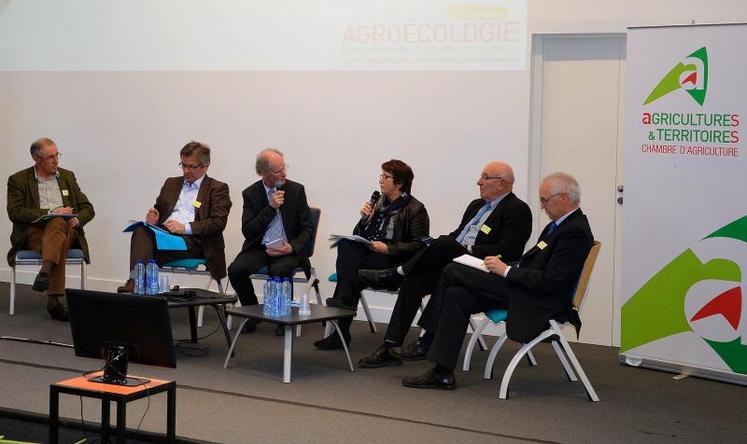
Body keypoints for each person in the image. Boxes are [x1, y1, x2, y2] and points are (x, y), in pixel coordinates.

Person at [401, 172, 594, 390]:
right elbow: (535, 262)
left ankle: (427, 337)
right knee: (457, 294)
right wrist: (505, 268)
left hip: (537, 299)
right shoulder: (560, 225)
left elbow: (552, 281)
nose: (542, 206)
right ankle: (442, 372)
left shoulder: (574, 232)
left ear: (564, 198)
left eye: (545, 200)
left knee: (453, 270)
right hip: (524, 287)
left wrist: (507, 271)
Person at [356, 161, 532, 368]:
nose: (479, 182)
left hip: (482, 268)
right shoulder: (476, 205)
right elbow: (457, 236)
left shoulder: (517, 210)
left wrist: (466, 250)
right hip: (454, 262)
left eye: (485, 177)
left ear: (502, 183)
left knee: (443, 246)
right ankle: (389, 346)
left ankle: (398, 275)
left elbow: (510, 250)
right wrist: (442, 245)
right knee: (415, 278)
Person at [315, 159, 430, 350]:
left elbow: (420, 246)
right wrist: (363, 220)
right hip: (370, 258)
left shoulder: (415, 209)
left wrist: (389, 249)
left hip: (394, 264)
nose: (381, 181)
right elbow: (358, 236)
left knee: (349, 275)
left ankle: (340, 319)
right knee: (346, 246)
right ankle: (341, 318)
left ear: (399, 183)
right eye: (381, 176)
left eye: (386, 177)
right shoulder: (378, 202)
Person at [117, 141, 231, 293]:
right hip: (166, 235)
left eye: (191, 166)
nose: (186, 171)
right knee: (141, 230)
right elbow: (159, 209)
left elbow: (218, 222)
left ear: (205, 166)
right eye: (183, 165)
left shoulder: (217, 189)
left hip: (194, 241)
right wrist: (154, 216)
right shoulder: (171, 183)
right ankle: (137, 282)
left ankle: (139, 285)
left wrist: (185, 228)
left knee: (146, 249)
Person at [7, 137, 95, 321]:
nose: (56, 161)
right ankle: (53, 303)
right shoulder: (18, 180)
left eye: (57, 155)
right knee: (57, 239)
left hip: (67, 229)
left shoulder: (67, 176)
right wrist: (51, 212)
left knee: (58, 224)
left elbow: (88, 208)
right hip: (34, 233)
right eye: (50, 157)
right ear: (36, 160)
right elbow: (15, 212)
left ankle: (45, 272)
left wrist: (77, 219)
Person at [228, 148, 314, 334]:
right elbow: (248, 231)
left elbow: (308, 228)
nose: (284, 173)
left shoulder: (296, 190)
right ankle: (252, 313)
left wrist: (291, 247)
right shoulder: (250, 194)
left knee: (279, 270)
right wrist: (270, 208)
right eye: (277, 171)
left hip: (288, 248)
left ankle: (284, 318)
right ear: (263, 173)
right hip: (260, 248)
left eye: (284, 168)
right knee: (235, 270)